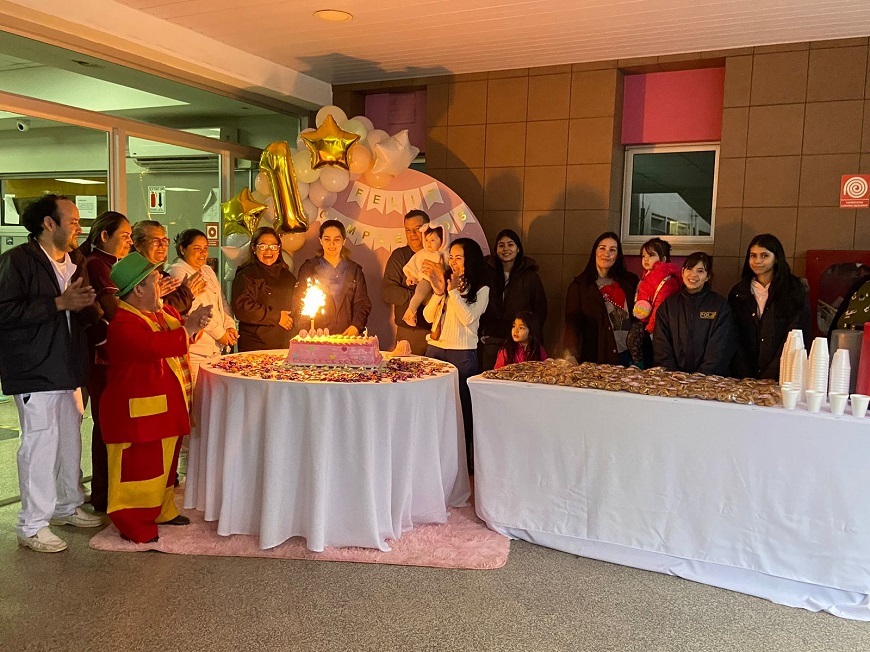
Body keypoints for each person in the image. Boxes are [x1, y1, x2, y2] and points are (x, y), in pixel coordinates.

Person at [0, 194, 104, 553]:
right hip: (35, 367)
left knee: (69, 438)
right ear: (49, 224)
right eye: (72, 221)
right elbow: (5, 313)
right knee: (40, 443)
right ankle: (32, 524)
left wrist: (97, 312)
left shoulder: (75, 259)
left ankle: (66, 503)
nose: (79, 227)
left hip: (68, 365)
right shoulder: (17, 261)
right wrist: (60, 302)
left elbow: (82, 307)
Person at [101, 252, 212, 543]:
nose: (161, 284)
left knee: (165, 467)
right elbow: (154, 346)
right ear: (137, 289)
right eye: (154, 280)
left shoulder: (160, 312)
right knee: (139, 472)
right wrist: (187, 329)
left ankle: (162, 509)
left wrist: (194, 324)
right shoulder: (123, 323)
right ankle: (134, 524)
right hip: (138, 417)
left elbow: (177, 331)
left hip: (162, 412)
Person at [79, 210, 133, 513]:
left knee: (111, 425)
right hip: (102, 356)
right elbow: (114, 311)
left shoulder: (114, 264)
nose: (128, 242)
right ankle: (104, 493)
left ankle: (112, 490)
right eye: (124, 236)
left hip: (112, 353)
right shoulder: (98, 264)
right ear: (104, 236)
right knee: (106, 425)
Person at [423, 237, 490, 472]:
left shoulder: (481, 289)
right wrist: (438, 292)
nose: (453, 261)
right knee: (433, 405)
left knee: (460, 407)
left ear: (470, 259)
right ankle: (433, 456)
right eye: (451, 257)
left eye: (459, 257)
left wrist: (452, 292)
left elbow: (468, 318)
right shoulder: (446, 284)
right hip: (435, 348)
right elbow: (429, 316)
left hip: (462, 354)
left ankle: (462, 463)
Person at [729, 234, 811, 380]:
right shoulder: (738, 293)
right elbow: (734, 336)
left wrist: (771, 373)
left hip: (784, 373)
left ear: (777, 258)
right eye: (753, 256)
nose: (757, 261)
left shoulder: (793, 290)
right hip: (745, 378)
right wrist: (745, 374)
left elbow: (796, 332)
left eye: (764, 255)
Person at [167, 229, 237, 381]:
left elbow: (221, 301)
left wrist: (229, 326)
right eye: (196, 248)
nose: (203, 253)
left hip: (215, 350)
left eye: (205, 248)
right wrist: (220, 334)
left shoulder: (207, 270)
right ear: (182, 249)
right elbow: (195, 310)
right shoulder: (177, 272)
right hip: (196, 350)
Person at [653, 252, 736, 376]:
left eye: (700, 271)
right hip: (673, 381)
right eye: (689, 269)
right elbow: (661, 343)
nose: (693, 275)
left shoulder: (720, 306)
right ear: (682, 272)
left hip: (709, 382)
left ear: (708, 276)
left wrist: (702, 376)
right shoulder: (669, 305)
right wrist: (672, 374)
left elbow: (721, 347)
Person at [564, 232, 639, 366]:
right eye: (602, 248)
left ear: (618, 255)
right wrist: (571, 354)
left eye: (612, 250)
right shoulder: (579, 286)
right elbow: (572, 324)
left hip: (628, 355)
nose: (607, 253)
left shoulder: (630, 281)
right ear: (595, 252)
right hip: (596, 355)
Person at [479, 229, 548, 371]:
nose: (506, 249)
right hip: (492, 339)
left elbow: (540, 309)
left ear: (518, 249)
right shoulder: (487, 273)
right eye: (501, 245)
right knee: (491, 380)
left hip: (520, 342)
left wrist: (530, 335)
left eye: (510, 245)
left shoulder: (530, 277)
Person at [291, 220, 372, 336]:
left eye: (336, 240)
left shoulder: (354, 270)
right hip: (317, 336)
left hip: (346, 336)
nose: (332, 244)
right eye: (327, 239)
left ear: (344, 241)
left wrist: (355, 326)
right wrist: (305, 330)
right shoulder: (309, 268)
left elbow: (362, 303)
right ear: (320, 240)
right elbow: (299, 302)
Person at [231, 227, 297, 351]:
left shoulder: (287, 276)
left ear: (279, 249)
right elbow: (242, 307)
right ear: (254, 248)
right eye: (263, 246)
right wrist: (276, 316)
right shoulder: (247, 275)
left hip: (284, 344)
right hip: (255, 345)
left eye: (273, 246)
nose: (268, 251)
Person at [626, 237, 682, 369]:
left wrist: (651, 326)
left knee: (643, 345)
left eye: (651, 255)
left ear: (663, 259)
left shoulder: (666, 278)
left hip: (658, 324)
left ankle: (641, 367)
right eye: (643, 255)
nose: (645, 259)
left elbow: (660, 305)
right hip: (646, 321)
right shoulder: (648, 274)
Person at [382, 209, 432, 353]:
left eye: (417, 229)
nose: (413, 235)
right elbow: (388, 292)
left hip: (439, 328)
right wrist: (420, 297)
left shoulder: (439, 254)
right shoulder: (399, 256)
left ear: (428, 229)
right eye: (408, 230)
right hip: (410, 330)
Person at [131, 220, 206, 316]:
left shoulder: (163, 275)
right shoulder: (134, 274)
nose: (162, 246)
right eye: (155, 241)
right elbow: (168, 309)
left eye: (164, 241)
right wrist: (187, 293)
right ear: (138, 245)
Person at [402, 225, 449, 326]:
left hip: (442, 285)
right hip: (426, 280)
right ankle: (410, 312)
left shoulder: (446, 254)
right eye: (426, 240)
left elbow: (451, 270)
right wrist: (411, 277)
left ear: (443, 240)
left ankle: (438, 321)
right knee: (419, 294)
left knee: (436, 306)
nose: (428, 243)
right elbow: (414, 265)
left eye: (433, 240)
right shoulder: (422, 254)